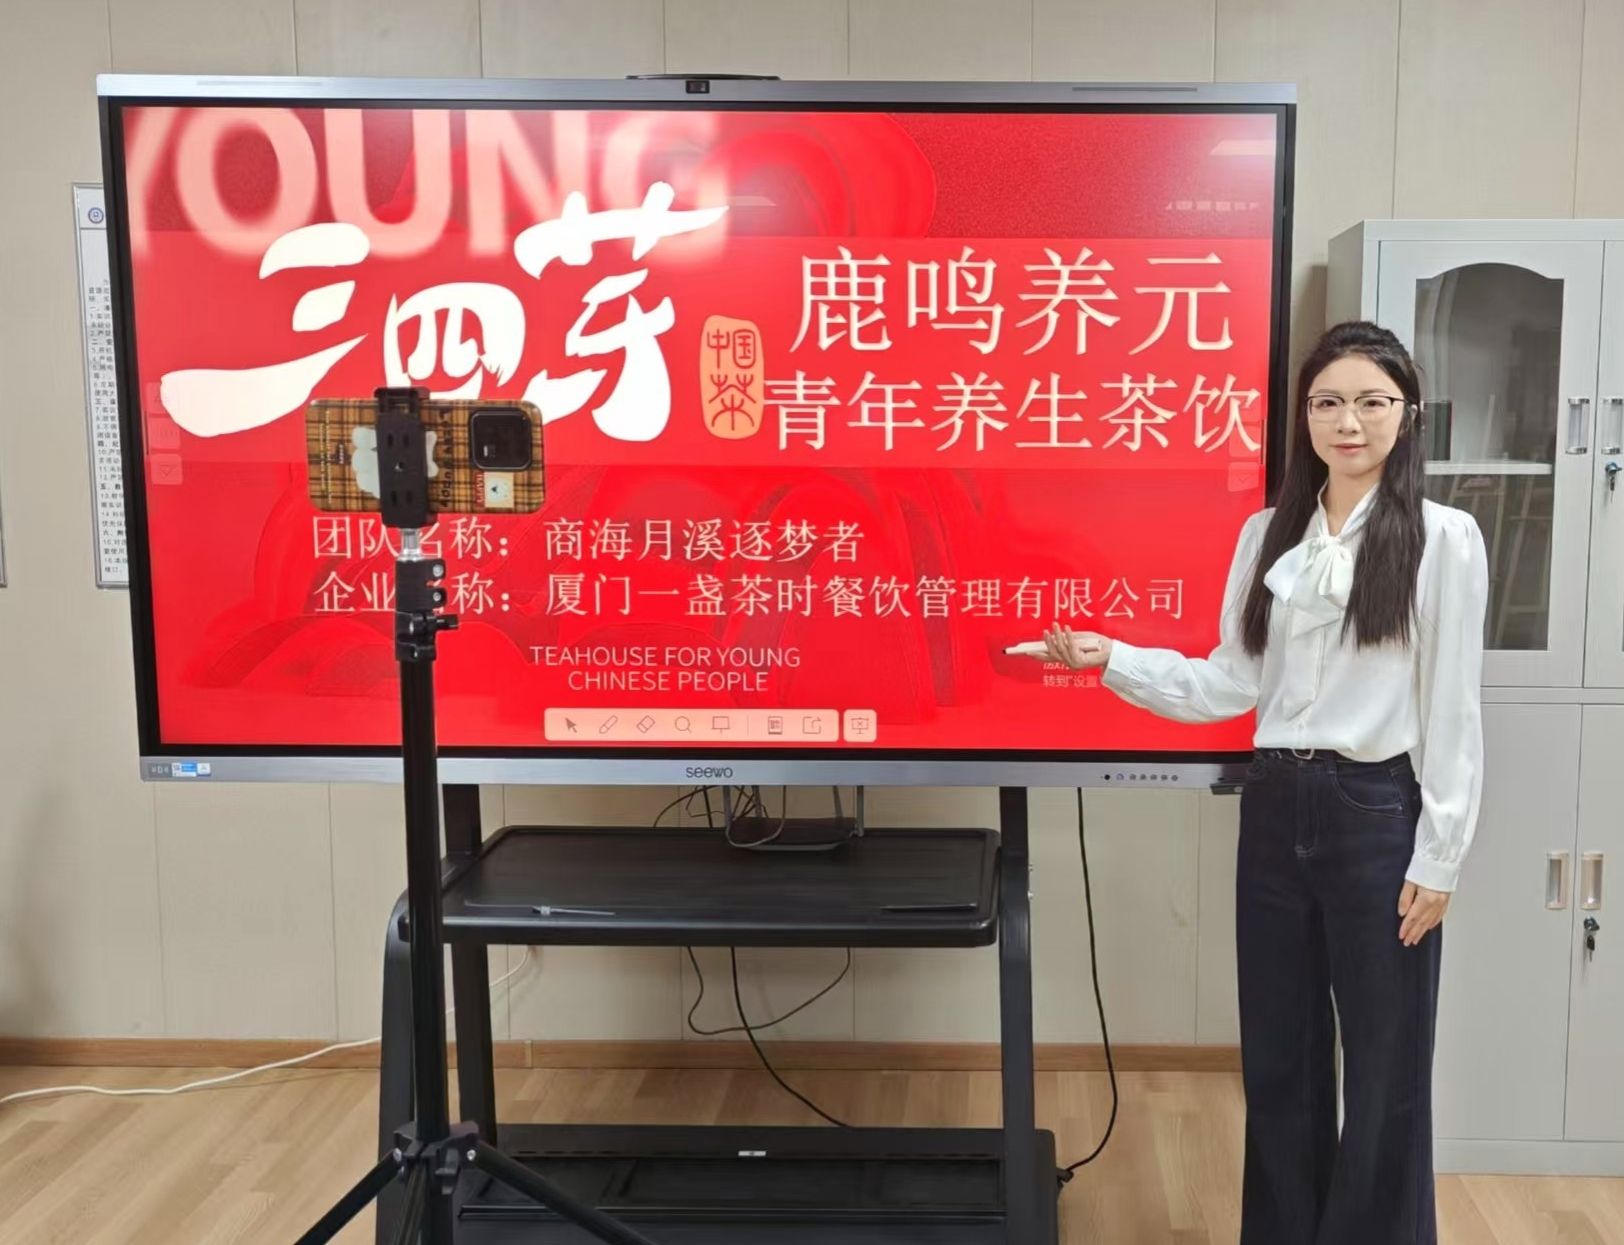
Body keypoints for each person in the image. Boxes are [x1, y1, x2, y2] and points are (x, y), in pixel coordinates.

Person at [1034, 320, 1488, 1244]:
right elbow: (1230, 683)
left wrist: (1440, 855)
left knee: (1388, 1065)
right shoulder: (1267, 534)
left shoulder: (1445, 538)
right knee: (1280, 1059)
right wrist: (1111, 656)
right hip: (1276, 804)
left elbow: (1452, 708)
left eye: (1371, 402)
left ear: (1409, 414)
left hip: (1377, 812)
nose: (1348, 421)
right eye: (1328, 402)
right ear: (1304, 417)